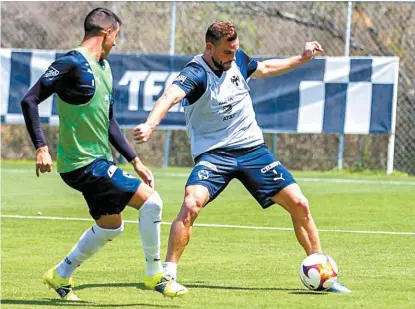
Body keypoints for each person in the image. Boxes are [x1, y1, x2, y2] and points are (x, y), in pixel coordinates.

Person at [133, 21, 351, 293]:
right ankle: (167, 273)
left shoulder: (238, 60)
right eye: (227, 52)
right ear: (210, 48)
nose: (233, 57)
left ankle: (322, 272)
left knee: (300, 203)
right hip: (214, 155)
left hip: (252, 150)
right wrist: (151, 124)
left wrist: (303, 57)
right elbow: (170, 96)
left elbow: (268, 68)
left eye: (235, 50)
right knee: (191, 204)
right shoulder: (195, 73)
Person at [20, 8, 188, 300]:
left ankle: (60, 275)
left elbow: (109, 122)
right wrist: (41, 146)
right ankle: (156, 276)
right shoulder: (71, 62)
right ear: (107, 32)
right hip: (83, 164)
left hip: (98, 162)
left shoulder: (106, 69)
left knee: (111, 226)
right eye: (116, 36)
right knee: (152, 203)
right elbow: (29, 99)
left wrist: (135, 160)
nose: (116, 43)